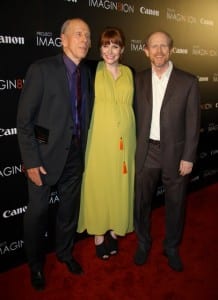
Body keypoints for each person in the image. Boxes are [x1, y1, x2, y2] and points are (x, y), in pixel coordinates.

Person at [16, 18, 93, 290]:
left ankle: (65, 253)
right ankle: (35, 266)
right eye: (78, 34)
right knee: (37, 215)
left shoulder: (86, 73)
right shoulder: (41, 70)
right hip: (44, 159)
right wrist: (33, 161)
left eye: (87, 35)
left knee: (68, 212)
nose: (84, 39)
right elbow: (26, 122)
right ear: (63, 40)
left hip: (75, 156)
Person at [133, 31, 201, 272]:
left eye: (163, 46)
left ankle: (171, 247)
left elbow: (193, 123)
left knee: (175, 204)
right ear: (146, 50)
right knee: (141, 204)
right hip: (146, 152)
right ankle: (143, 243)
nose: (159, 51)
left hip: (176, 154)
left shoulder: (188, 81)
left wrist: (188, 157)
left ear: (170, 50)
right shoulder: (137, 79)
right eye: (154, 46)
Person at [77, 27, 136, 260]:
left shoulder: (131, 72)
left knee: (119, 185)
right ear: (99, 47)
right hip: (99, 139)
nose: (109, 51)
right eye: (105, 45)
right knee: (98, 184)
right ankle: (99, 235)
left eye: (115, 46)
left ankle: (114, 229)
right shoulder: (90, 69)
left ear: (122, 49)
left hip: (126, 140)